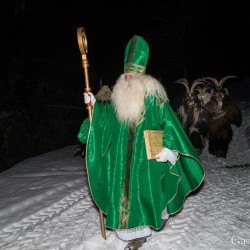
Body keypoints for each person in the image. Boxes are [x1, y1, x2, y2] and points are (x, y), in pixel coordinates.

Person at [77, 35, 205, 250]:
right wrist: (95, 106)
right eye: (125, 74)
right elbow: (104, 123)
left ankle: (142, 233)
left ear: (141, 75)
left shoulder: (155, 98)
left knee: (144, 192)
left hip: (146, 158)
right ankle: (130, 232)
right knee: (124, 194)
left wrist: (167, 148)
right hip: (121, 160)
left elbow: (169, 125)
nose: (126, 78)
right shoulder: (117, 98)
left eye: (131, 75)